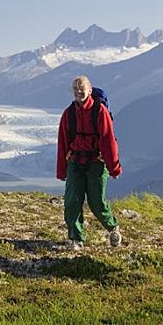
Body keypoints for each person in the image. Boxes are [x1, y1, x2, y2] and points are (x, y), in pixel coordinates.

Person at [57, 75, 123, 250]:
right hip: (76, 161)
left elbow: (108, 141)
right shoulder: (69, 114)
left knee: (96, 202)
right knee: (72, 200)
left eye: (82, 89)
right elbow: (63, 142)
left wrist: (113, 167)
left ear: (90, 90)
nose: (79, 92)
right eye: (76, 90)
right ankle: (76, 238)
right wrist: (62, 171)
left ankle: (112, 227)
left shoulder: (99, 112)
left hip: (96, 162)